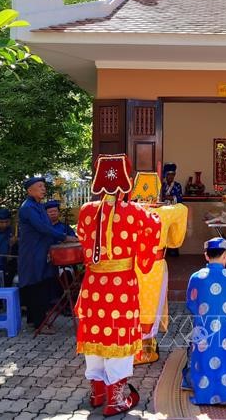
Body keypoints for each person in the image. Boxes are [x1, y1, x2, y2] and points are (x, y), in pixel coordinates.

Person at [75, 153, 162, 416]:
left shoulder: (86, 211)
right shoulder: (136, 212)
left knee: (96, 335)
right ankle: (114, 400)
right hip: (121, 285)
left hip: (93, 284)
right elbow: (154, 228)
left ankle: (97, 393)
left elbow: (82, 238)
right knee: (118, 336)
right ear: (126, 180)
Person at [181, 237, 226, 405]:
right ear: (225, 256)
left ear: (206, 256)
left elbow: (191, 303)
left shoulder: (195, 277)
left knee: (197, 341)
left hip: (202, 328)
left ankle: (198, 383)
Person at [18, 177, 77, 333]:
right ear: (30, 190)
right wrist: (64, 237)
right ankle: (39, 323)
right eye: (40, 186)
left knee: (41, 283)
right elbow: (43, 228)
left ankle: (34, 319)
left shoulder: (38, 206)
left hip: (41, 250)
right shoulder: (28, 208)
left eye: (44, 186)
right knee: (37, 285)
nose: (43, 189)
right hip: (33, 252)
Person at [162, 163, 183, 257]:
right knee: (164, 230)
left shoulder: (177, 185)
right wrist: (168, 197)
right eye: (169, 175)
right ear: (165, 175)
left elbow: (179, 198)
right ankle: (163, 249)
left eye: (172, 174)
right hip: (163, 211)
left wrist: (167, 197)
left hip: (174, 211)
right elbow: (160, 198)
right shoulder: (162, 185)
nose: (171, 177)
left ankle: (173, 250)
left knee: (173, 230)